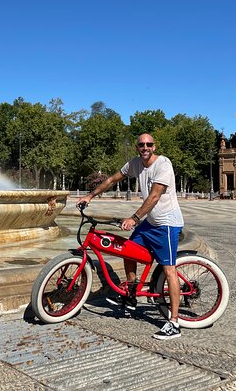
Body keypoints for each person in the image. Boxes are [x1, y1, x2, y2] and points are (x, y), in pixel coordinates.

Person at [77, 133, 184, 340]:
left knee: (169, 269)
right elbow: (111, 179)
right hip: (150, 223)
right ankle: (132, 294)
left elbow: (154, 196)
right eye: (141, 145)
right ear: (137, 147)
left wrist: (134, 218)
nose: (145, 147)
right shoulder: (135, 163)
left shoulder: (163, 164)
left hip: (167, 225)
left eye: (149, 144)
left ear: (154, 146)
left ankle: (174, 322)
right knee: (128, 251)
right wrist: (90, 196)